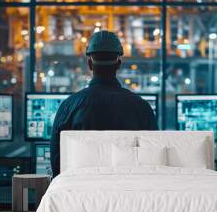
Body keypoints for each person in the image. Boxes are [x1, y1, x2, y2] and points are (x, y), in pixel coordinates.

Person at [50, 30, 158, 176]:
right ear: (118, 63)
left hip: (81, 193)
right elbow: (152, 159)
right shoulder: (141, 107)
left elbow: (57, 162)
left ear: (89, 64)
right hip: (128, 194)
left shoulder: (69, 107)